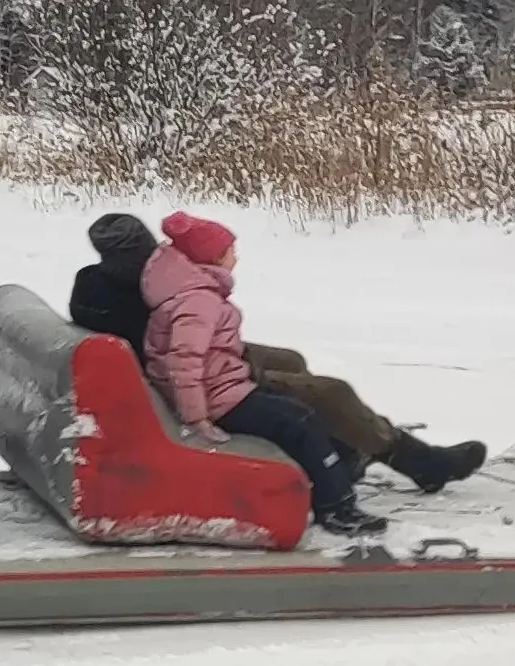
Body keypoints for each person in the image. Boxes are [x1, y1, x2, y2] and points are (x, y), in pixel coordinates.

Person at [71, 211, 485, 495]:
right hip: (195, 374)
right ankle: (417, 462)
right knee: (330, 392)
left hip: (189, 359)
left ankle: (341, 450)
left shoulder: (105, 282)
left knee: (290, 363)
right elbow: (184, 354)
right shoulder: (141, 292)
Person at [137, 211, 388, 536]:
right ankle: (337, 506)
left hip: (224, 387)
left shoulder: (195, 290)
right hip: (216, 400)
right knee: (299, 422)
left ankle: (338, 469)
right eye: (230, 252)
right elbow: (183, 359)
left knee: (296, 408)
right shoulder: (198, 300)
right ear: (212, 258)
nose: (235, 257)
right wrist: (197, 418)